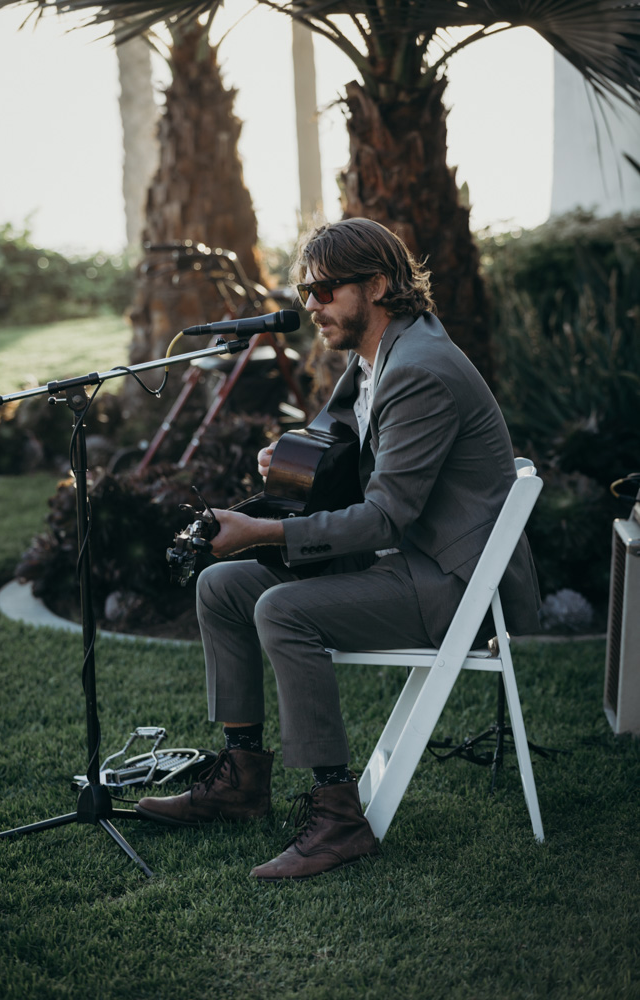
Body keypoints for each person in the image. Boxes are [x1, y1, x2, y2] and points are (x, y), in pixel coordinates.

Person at [136, 218, 540, 880]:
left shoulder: (419, 371)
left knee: (282, 610)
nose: (310, 307)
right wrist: (291, 456)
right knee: (222, 587)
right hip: (413, 557)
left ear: (376, 285)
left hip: (453, 581)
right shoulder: (378, 355)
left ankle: (336, 817)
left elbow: (383, 518)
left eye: (322, 291)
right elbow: (335, 429)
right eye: (303, 293)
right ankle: (241, 780)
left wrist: (263, 531)